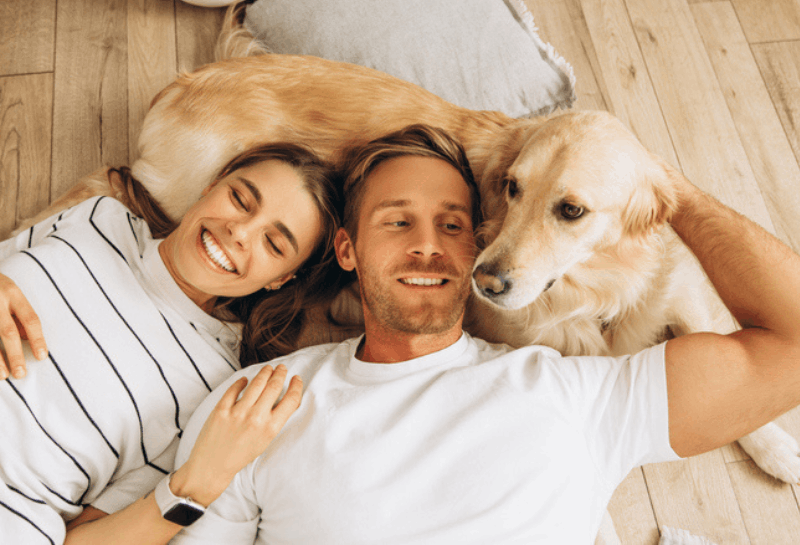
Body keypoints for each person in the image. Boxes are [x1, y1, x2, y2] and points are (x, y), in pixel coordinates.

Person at [167, 123, 800, 544]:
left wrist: (664, 188)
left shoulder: (575, 393)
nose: (426, 246)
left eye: (451, 225)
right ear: (347, 249)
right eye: (396, 222)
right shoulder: (263, 404)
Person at [0, 143, 342, 544]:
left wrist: (200, 483)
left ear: (281, 279)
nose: (239, 231)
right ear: (211, 186)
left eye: (274, 244)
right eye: (240, 199)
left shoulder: (213, 388)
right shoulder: (98, 217)